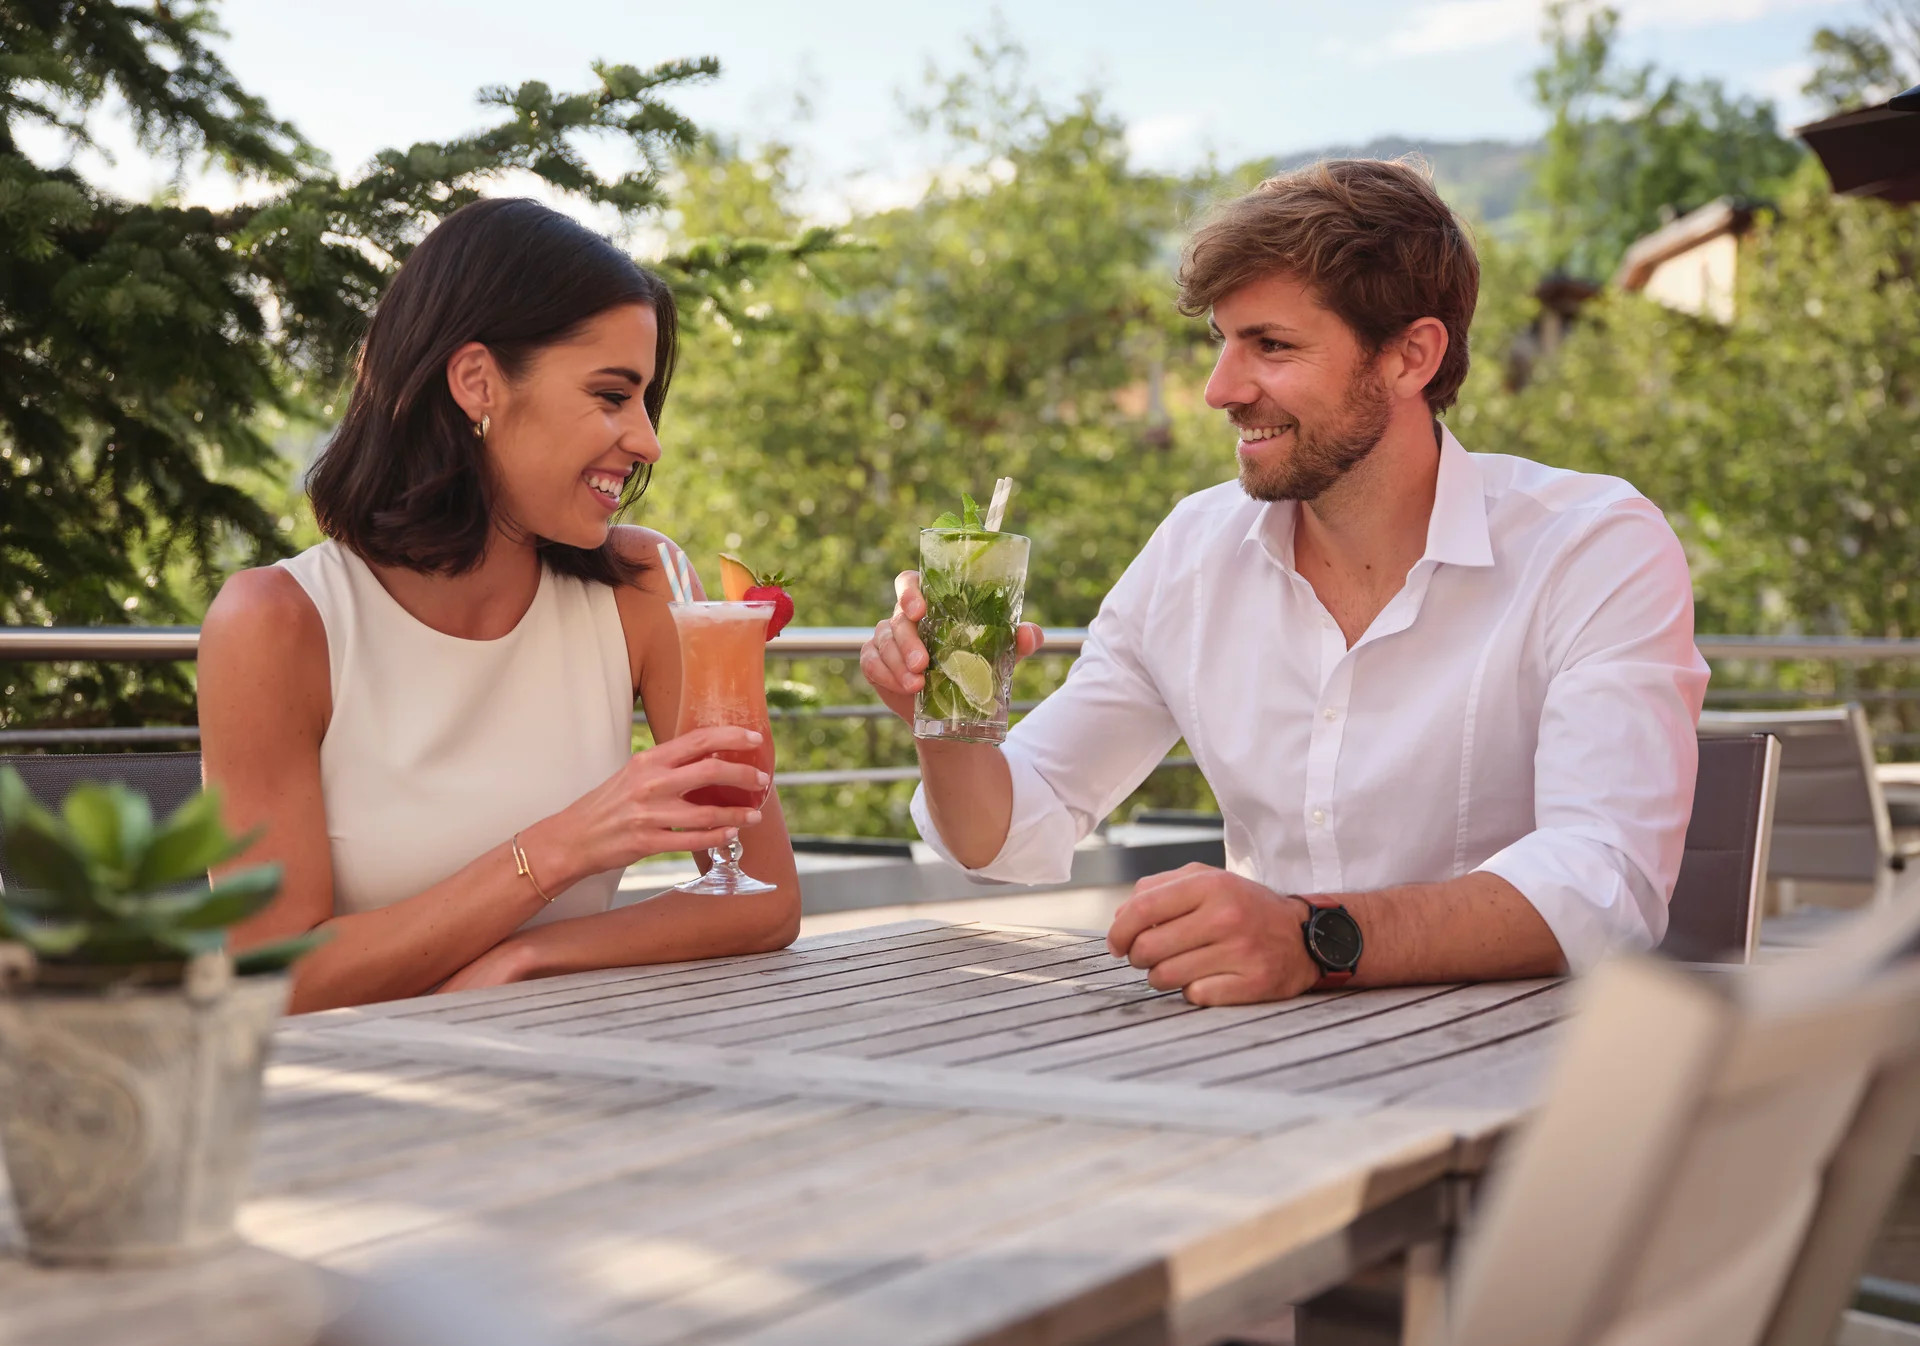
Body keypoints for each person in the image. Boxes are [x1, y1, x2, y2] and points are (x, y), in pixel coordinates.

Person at [862, 158, 1709, 1010]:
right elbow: (1007, 831)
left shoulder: (1593, 544)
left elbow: (1605, 882)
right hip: (1260, 1055)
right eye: (1222, 342)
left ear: (1411, 356)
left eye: (1271, 345)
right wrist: (947, 722)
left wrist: (1312, 937)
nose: (1219, 390)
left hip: (1521, 1068)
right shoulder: (1193, 550)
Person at [199, 198, 800, 1014]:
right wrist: (555, 851)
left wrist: (530, 956)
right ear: (477, 382)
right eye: (612, 395)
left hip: (581, 1075)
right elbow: (269, 976)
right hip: (347, 1109)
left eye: (644, 400)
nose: (649, 442)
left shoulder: (643, 586)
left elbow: (762, 896)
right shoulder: (276, 623)